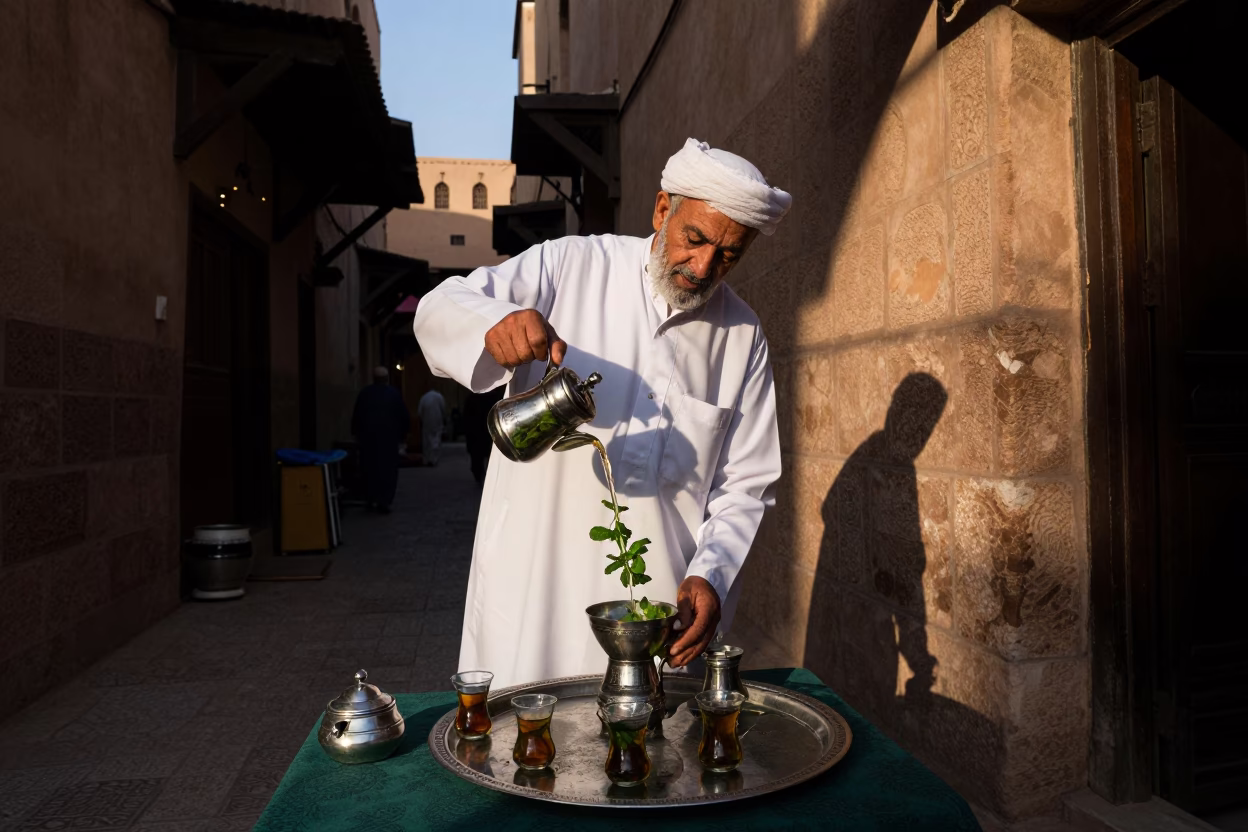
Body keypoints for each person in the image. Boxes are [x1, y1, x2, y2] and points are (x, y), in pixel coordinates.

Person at [413, 138, 789, 688]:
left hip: (655, 612)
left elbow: (746, 485)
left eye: (729, 255)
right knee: (525, 751)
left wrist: (711, 574)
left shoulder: (742, 335)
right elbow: (437, 308)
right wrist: (494, 324)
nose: (704, 266)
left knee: (648, 758)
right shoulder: (570, 265)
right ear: (663, 209)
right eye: (694, 238)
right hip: (533, 592)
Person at [350, 366, 411, 514]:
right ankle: (384, 501)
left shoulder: (365, 394)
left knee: (369, 469)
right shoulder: (394, 394)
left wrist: (356, 434)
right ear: (387, 379)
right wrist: (402, 436)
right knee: (387, 471)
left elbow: (357, 416)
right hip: (388, 441)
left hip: (368, 440)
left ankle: (371, 498)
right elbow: (403, 416)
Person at [462, 387, 505, 485]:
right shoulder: (495, 396)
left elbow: (466, 418)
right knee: (488, 456)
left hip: (477, 432)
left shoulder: (472, 398)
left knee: (478, 456)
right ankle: (488, 477)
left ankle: (481, 476)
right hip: (488, 432)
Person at [417, 387, 448, 466]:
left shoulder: (424, 397)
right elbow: (443, 409)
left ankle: (427, 459)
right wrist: (444, 419)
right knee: (436, 439)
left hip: (426, 421)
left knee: (427, 440)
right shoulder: (439, 396)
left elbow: (420, 411)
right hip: (437, 420)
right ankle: (434, 459)